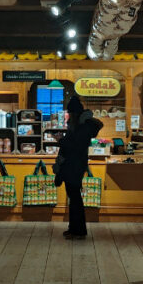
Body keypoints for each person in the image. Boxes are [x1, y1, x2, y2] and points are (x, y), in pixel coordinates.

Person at [53, 95, 103, 240]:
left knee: (75, 200)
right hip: (75, 166)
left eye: (70, 112)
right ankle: (75, 229)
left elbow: (73, 147)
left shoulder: (82, 128)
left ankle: (79, 231)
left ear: (75, 113)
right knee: (74, 199)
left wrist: (60, 140)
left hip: (74, 167)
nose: (68, 115)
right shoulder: (82, 126)